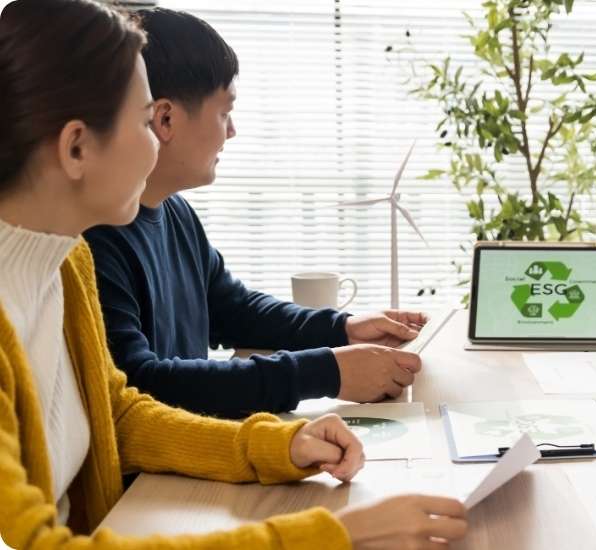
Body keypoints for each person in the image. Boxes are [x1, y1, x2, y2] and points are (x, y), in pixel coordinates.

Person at [0, 1, 467, 548]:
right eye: (142, 120)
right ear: (77, 146)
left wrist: (275, 447)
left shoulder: (64, 266)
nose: (154, 139)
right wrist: (330, 535)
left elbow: (119, 415)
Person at [83, 7, 425, 419]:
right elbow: (142, 382)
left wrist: (342, 328)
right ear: (165, 118)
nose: (231, 131)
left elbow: (233, 310)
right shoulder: (95, 238)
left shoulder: (175, 213)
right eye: (224, 112)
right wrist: (324, 373)